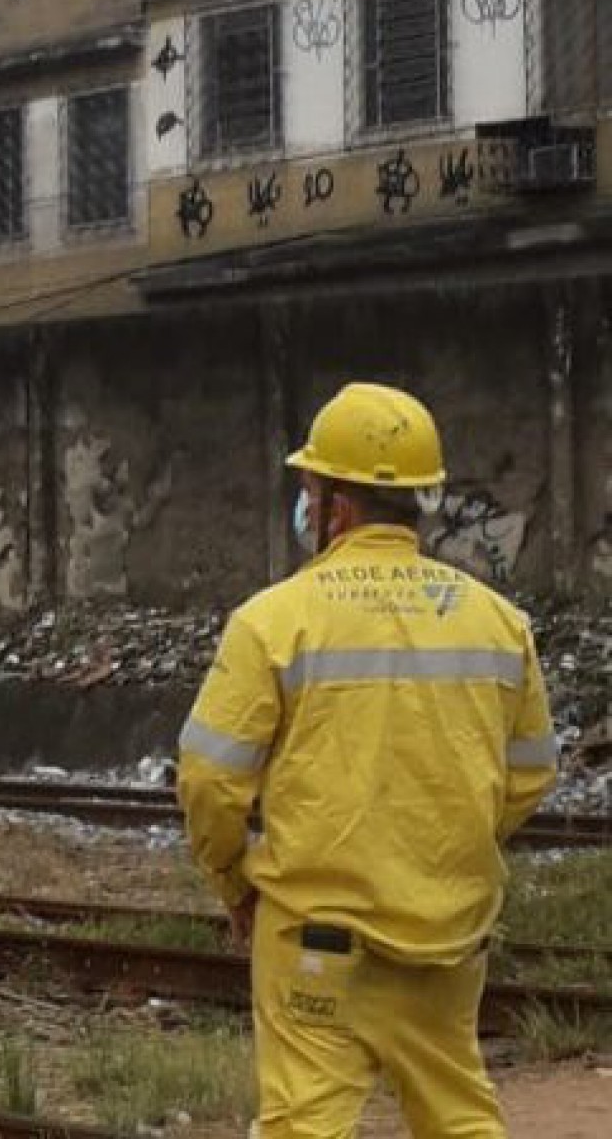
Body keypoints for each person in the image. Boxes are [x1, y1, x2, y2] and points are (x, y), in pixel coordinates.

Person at [178, 382, 558, 1139]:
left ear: (334, 510)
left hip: (318, 942)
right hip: (449, 937)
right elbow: (527, 776)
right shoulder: (498, 623)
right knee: (460, 1119)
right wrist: (439, 851)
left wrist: (234, 881)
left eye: (310, 491)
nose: (306, 507)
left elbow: (210, 781)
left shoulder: (273, 621)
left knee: (304, 1127)